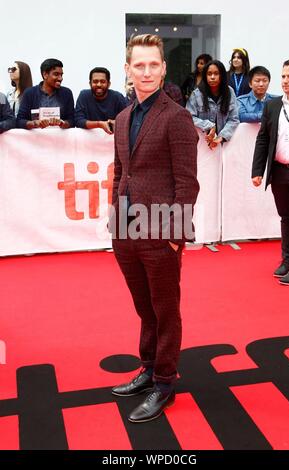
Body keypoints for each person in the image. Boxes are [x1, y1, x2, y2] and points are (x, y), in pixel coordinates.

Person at [110, 34, 199, 422]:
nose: (145, 72)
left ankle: (164, 382)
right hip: (126, 233)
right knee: (144, 308)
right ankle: (148, 368)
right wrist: (116, 221)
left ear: (163, 69)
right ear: (128, 70)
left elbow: (187, 183)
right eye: (138, 65)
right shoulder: (125, 117)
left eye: (153, 65)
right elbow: (120, 175)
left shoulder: (177, 117)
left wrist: (176, 236)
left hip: (161, 233)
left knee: (165, 311)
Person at [252, 58, 289, 285]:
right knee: (286, 217)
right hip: (279, 170)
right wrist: (257, 170)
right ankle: (288, 259)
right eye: (283, 76)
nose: (285, 80)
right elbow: (263, 139)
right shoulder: (272, 106)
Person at [186, 60, 239, 149]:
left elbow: (234, 119)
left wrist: (221, 137)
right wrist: (209, 125)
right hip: (202, 144)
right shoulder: (197, 94)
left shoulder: (230, 92)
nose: (212, 77)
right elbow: (189, 117)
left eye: (216, 74)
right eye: (209, 74)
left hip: (224, 144)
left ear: (222, 75)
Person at [17, 58, 74, 129]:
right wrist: (35, 123)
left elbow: (72, 120)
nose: (60, 78)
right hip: (35, 138)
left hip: (59, 138)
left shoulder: (67, 93)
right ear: (45, 75)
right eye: (56, 74)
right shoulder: (30, 93)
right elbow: (19, 121)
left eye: (61, 75)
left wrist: (62, 123)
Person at [75, 67, 127, 134]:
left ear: (109, 84)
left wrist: (116, 122)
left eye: (102, 82)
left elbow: (126, 121)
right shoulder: (84, 95)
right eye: (95, 81)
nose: (99, 85)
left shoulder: (118, 97)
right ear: (90, 83)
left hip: (111, 139)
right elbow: (78, 121)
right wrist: (100, 124)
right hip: (88, 140)